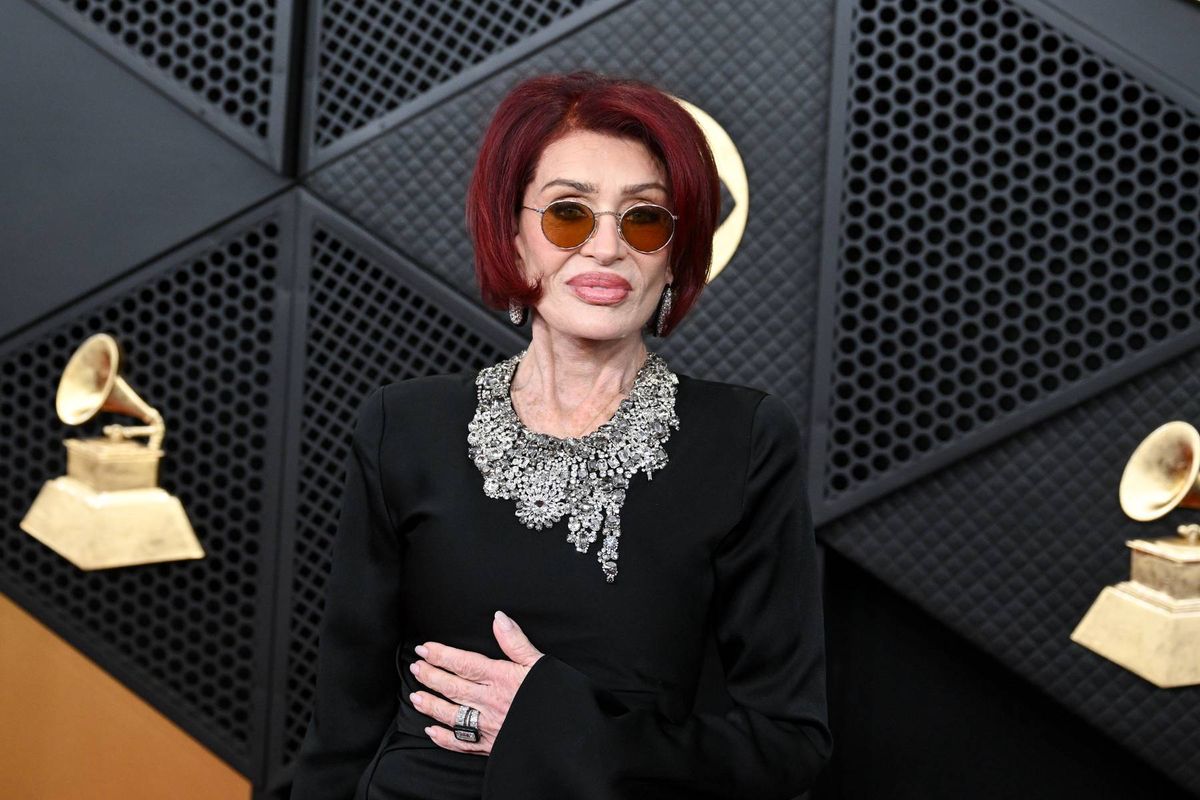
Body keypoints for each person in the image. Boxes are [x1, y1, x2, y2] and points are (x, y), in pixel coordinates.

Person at [290, 70, 832, 800]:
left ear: (673, 254)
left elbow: (788, 746)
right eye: (568, 215)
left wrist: (557, 724)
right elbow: (341, 730)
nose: (606, 248)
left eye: (643, 220)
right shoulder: (405, 427)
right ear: (514, 242)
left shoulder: (742, 440)